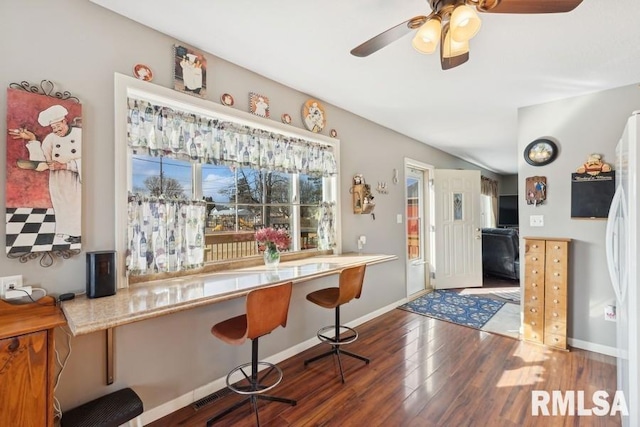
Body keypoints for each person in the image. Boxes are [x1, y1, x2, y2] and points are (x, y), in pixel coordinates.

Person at [8, 104, 82, 244]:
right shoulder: (50, 139)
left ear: (64, 121)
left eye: (58, 125)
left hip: (76, 179)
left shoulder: (80, 135)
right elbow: (42, 161)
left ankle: (78, 233)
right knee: (62, 205)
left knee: (76, 206)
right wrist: (32, 139)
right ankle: (69, 232)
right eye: (53, 127)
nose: (56, 130)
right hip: (58, 180)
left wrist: (65, 165)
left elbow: (89, 160)